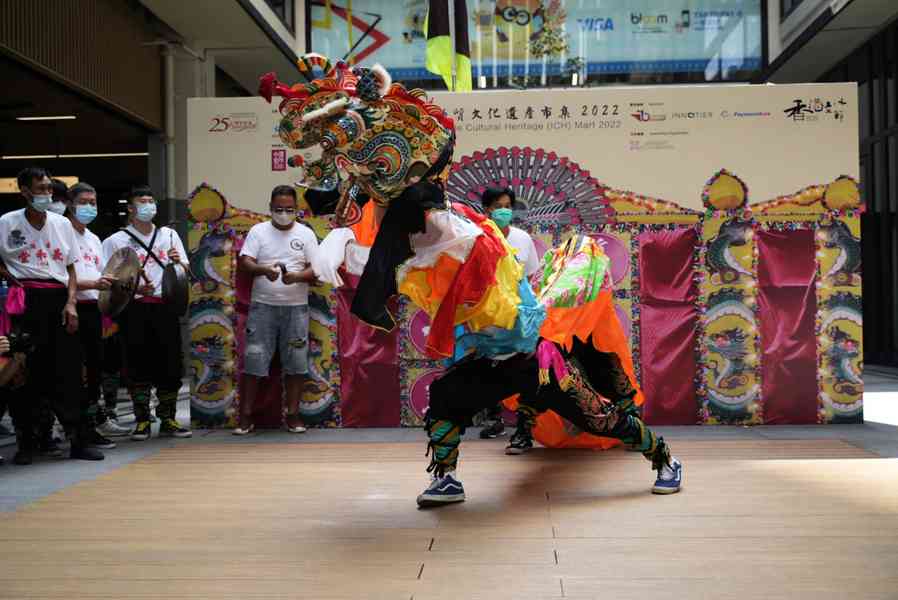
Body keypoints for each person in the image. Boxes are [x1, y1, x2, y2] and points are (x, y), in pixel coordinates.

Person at [0, 167, 103, 463]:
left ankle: (78, 441)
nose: (46, 194)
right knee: (24, 372)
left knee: (69, 371)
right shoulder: (7, 222)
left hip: (58, 298)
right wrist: (13, 278)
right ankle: (28, 443)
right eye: (40, 189)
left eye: (48, 189)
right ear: (24, 191)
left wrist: (71, 303)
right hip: (24, 300)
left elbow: (71, 267)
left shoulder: (61, 224)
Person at [102, 186, 192, 441]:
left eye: (152, 201)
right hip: (133, 309)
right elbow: (106, 279)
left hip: (165, 306)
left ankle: (168, 419)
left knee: (170, 364)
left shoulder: (169, 235)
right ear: (130, 208)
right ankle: (142, 420)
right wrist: (133, 285)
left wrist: (179, 262)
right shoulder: (115, 241)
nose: (149, 205)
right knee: (136, 363)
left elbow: (184, 270)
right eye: (142, 201)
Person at [234, 185, 319, 435]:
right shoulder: (258, 231)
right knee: (254, 360)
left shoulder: (305, 234)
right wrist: (264, 270)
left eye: (289, 209)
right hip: (263, 309)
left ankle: (293, 415)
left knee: (296, 363)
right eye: (279, 209)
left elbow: (317, 269)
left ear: (297, 210)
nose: (284, 213)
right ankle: (246, 416)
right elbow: (245, 260)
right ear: (270, 208)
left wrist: (297, 277)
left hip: (296, 309)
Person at [66, 182, 128, 445]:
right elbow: (58, 276)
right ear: (70, 204)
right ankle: (70, 428)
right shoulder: (60, 232)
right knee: (72, 371)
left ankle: (90, 426)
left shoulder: (93, 238)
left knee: (94, 371)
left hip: (94, 309)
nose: (90, 207)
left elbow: (103, 275)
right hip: (71, 308)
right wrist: (92, 284)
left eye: (93, 202)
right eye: (84, 202)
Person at [478, 187, 540, 444]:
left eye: (507, 205)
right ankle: (494, 420)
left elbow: (531, 275)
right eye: (496, 206)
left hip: (520, 315)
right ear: (486, 209)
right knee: (488, 368)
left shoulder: (523, 238)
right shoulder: (476, 238)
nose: (503, 210)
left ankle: (524, 430)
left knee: (526, 371)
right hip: (488, 315)